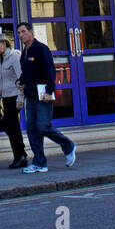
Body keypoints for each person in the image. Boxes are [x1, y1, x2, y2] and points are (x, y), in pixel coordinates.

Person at [17, 21, 76, 173]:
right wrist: (21, 81)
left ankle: (67, 145)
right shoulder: (25, 52)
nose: (21, 35)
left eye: (23, 31)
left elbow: (50, 71)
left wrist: (50, 91)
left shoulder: (41, 49)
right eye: (19, 33)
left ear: (31, 32)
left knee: (43, 126)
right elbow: (27, 73)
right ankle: (39, 162)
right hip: (30, 95)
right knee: (31, 128)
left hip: (43, 94)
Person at [0, 33, 28, 169]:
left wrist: (21, 97)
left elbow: (21, 78)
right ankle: (21, 154)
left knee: (12, 127)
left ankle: (20, 156)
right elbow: (0, 81)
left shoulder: (14, 57)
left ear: (4, 44)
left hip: (14, 96)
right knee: (12, 128)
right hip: (6, 97)